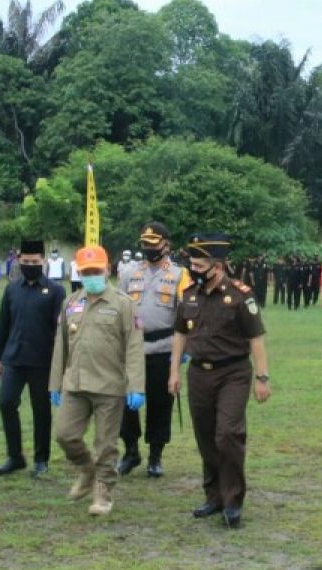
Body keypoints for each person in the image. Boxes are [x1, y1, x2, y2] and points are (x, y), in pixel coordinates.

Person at [169, 234, 271, 529]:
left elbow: (256, 338)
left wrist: (262, 377)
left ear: (218, 266)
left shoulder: (241, 296)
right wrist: (174, 371)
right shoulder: (189, 295)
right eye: (193, 264)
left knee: (228, 435)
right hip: (199, 373)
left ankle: (233, 501)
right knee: (205, 436)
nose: (195, 270)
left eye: (200, 265)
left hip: (233, 373)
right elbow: (179, 335)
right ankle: (213, 496)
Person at [48, 245, 145, 517]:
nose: (91, 275)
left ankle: (103, 490)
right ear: (79, 273)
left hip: (109, 386)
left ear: (108, 269)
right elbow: (61, 346)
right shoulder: (71, 303)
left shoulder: (124, 304)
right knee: (64, 435)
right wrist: (54, 383)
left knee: (106, 444)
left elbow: (135, 347)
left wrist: (136, 386)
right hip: (75, 384)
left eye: (96, 271)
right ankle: (86, 469)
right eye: (86, 271)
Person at [117, 221, 190, 478]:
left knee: (160, 405)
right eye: (144, 244)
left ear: (166, 245)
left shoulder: (180, 275)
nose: (148, 249)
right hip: (132, 349)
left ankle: (156, 456)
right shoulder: (129, 273)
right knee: (126, 403)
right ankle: (130, 451)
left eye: (153, 244)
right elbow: (119, 310)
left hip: (163, 348)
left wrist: (184, 350)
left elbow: (186, 315)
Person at [0, 239, 66, 478]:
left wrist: (60, 364)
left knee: (41, 411)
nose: (30, 265)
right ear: (19, 261)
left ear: (43, 262)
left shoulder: (56, 291)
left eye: (35, 262)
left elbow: (60, 331)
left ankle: (41, 459)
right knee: (6, 403)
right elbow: (3, 324)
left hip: (42, 361)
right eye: (26, 262)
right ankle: (15, 456)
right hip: (14, 358)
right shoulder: (12, 289)